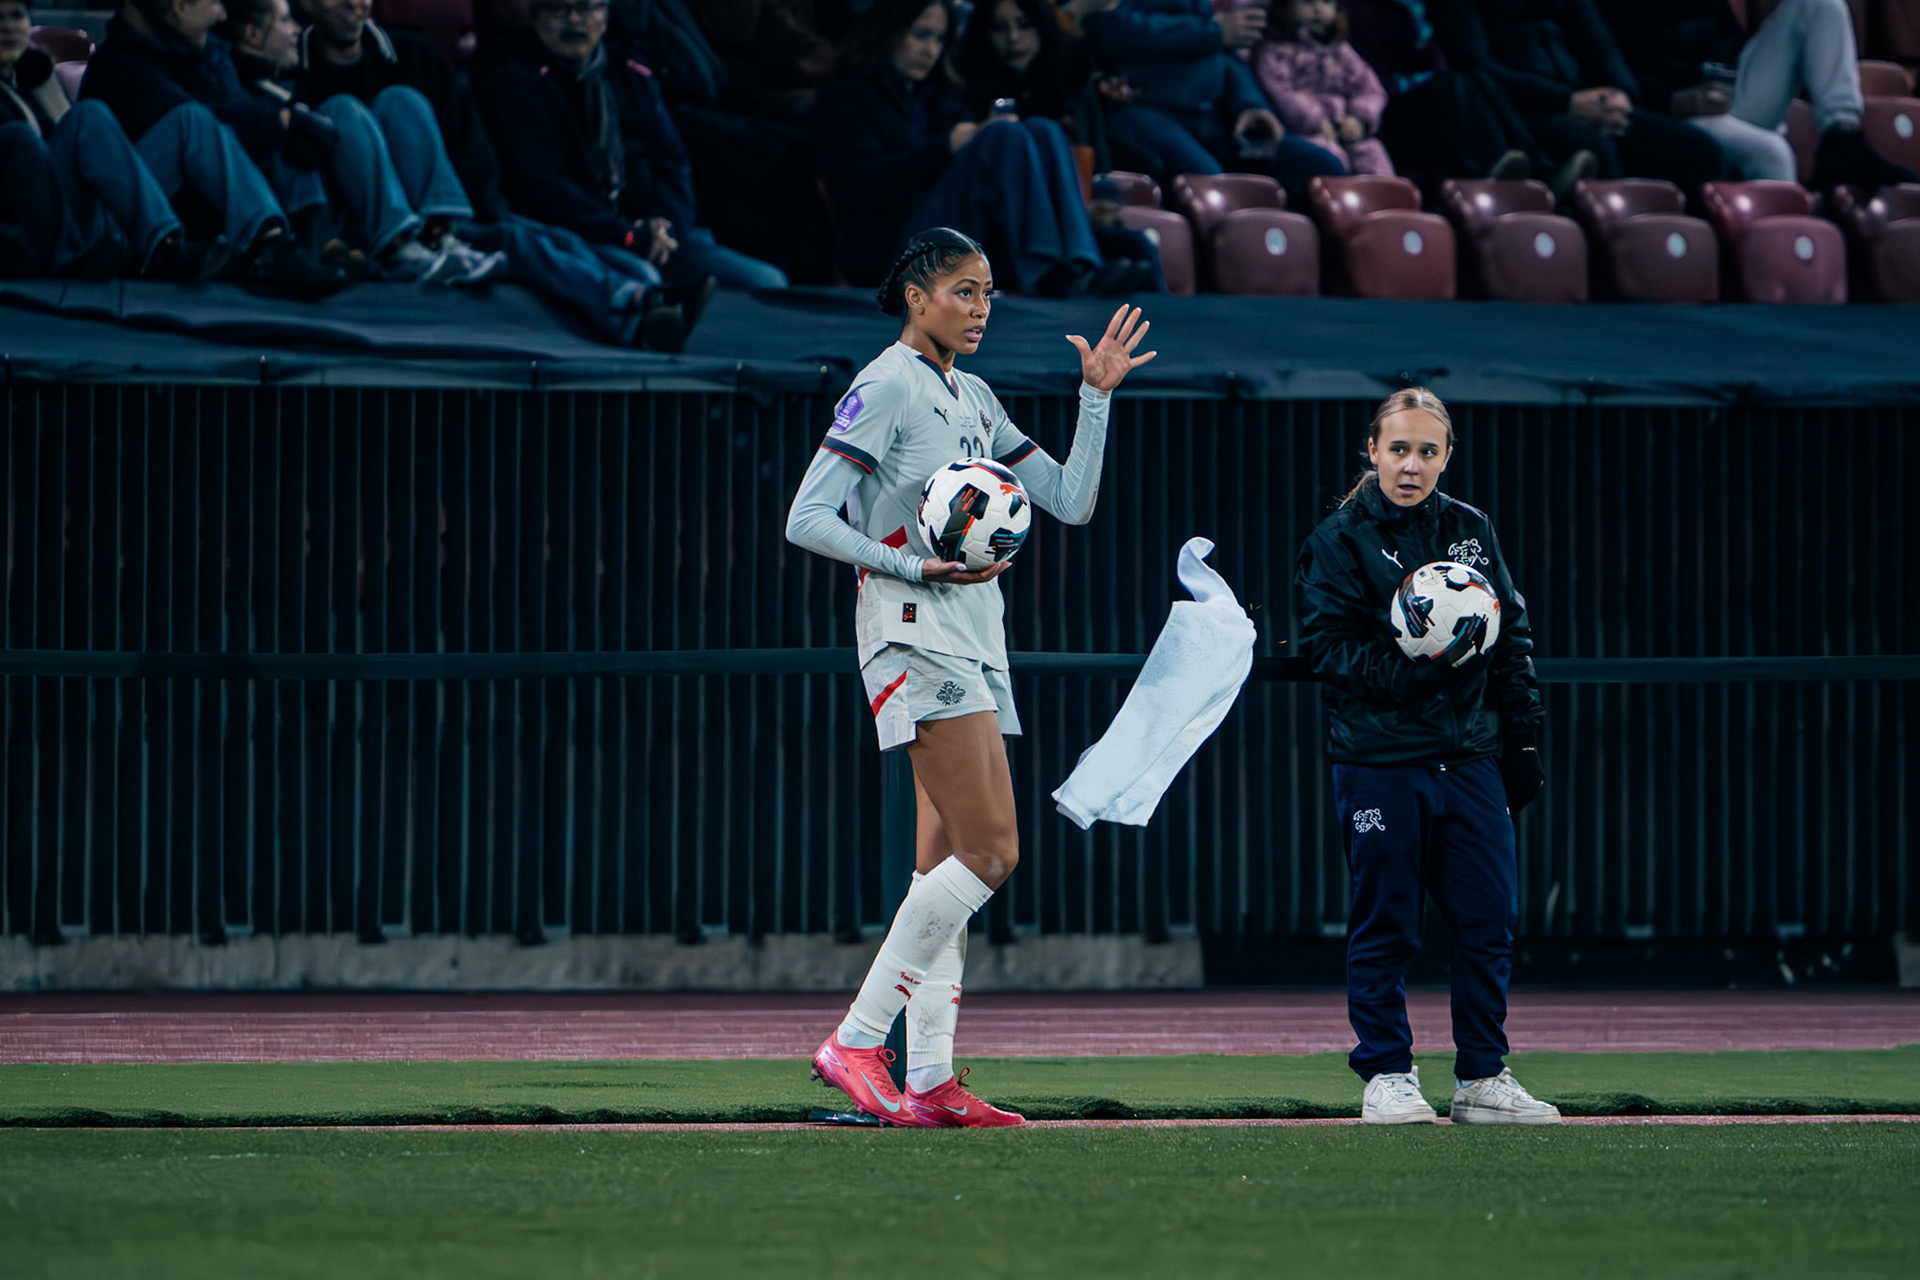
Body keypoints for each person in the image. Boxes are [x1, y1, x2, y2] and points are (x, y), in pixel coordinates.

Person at [785, 226, 1153, 1127]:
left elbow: (1070, 502)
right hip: (915, 635)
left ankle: (930, 1081)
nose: (981, 308)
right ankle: (858, 1041)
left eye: (988, 292)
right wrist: (913, 567)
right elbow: (805, 517)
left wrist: (1094, 400)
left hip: (973, 641)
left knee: (944, 862)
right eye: (963, 290)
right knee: (994, 852)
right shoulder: (885, 384)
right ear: (916, 297)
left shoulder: (975, 393)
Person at [1292, 386, 1560, 1127]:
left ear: (1446, 458)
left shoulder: (1470, 529)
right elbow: (1328, 652)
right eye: (1398, 449)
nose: (1411, 465)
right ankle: (1386, 1073)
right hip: (1380, 760)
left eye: (1427, 451)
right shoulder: (1337, 541)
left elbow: (1511, 638)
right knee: (1388, 924)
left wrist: (1524, 739)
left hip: (1470, 760)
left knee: (1488, 921)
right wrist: (1421, 663)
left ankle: (1481, 1077)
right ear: (1372, 452)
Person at [288, 0, 707, 348]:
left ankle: (641, 310)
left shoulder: (411, 55)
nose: (354, 4)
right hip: (369, 239)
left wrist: (484, 212)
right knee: (524, 241)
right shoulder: (295, 71)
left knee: (548, 239)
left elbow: (467, 143)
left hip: (442, 229)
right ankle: (635, 302)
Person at [814, 0, 1146, 295]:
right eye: (920, 35)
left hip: (948, 231)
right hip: (892, 240)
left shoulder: (939, 98)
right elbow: (859, 187)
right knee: (1004, 135)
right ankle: (1044, 270)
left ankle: (1080, 262)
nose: (930, 50)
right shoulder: (848, 98)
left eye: (939, 39)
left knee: (1043, 129)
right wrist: (945, 147)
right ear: (889, 33)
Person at [473, 0, 789, 292]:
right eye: (559, 9)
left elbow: (673, 160)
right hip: (583, 236)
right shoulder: (513, 79)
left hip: (654, 232)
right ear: (537, 16)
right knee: (643, 280)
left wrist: (666, 228)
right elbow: (544, 188)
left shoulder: (628, 70)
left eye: (587, 8)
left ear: (606, 14)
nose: (574, 20)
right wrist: (625, 234)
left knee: (767, 282)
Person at [223, 0, 505, 282]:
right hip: (335, 225)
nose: (356, 4)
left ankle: (439, 237)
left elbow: (470, 151)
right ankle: (395, 248)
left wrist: (490, 214)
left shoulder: (412, 54)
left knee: (402, 101)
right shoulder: (284, 66)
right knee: (343, 109)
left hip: (423, 214)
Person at [81, 0, 347, 297]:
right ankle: (268, 248)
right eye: (215, 3)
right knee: (194, 119)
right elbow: (206, 123)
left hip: (191, 213)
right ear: (181, 7)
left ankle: (288, 245)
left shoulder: (203, 53)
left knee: (295, 132)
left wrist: (284, 124)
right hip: (128, 221)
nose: (222, 13)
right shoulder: (122, 63)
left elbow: (235, 117)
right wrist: (280, 120)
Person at [0, 0, 228, 279]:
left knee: (182, 119)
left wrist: (41, 82)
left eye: (16, 16)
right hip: (30, 222)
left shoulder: (33, 79)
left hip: (78, 207)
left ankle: (163, 246)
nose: (8, 27)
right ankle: (140, 248)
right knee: (63, 123)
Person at [1595, 0, 1914, 188]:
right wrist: (1671, 99)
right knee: (1772, 151)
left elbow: (1731, 44)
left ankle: (1842, 137)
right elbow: (1612, 75)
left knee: (1821, 4)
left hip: (1729, 95)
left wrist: (1728, 79)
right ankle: (1782, 283)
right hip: (1675, 114)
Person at [1426, 0, 1725, 193]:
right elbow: (1476, 67)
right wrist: (1567, 103)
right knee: (1594, 149)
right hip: (1524, 109)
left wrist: (1616, 97)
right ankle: (1611, 273)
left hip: (1591, 103)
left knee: (1697, 151)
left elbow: (1600, 46)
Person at [1079, 0, 1347, 205]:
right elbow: (1109, 29)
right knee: (1210, 182)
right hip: (1146, 110)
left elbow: (1226, 53)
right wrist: (1212, 31)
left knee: (1323, 168)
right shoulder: (1212, 26)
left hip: (1217, 120)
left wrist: (1252, 106)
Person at [1251, 0, 1395, 175]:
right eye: (1308, 2)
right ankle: (1334, 201)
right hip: (1302, 132)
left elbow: (1369, 89)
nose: (1318, 9)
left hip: (1343, 128)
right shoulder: (1274, 52)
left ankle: (1385, 201)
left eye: (1327, 2)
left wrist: (1360, 120)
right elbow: (1282, 94)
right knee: (1330, 157)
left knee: (1372, 152)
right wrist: (1318, 121)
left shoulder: (1341, 50)